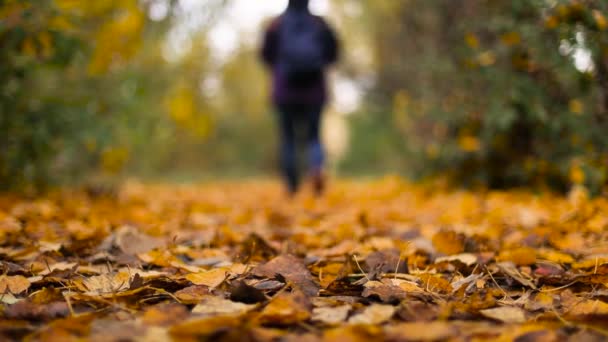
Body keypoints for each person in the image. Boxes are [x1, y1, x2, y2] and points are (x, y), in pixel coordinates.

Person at [261, 0, 339, 196]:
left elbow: (265, 55)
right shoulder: (319, 23)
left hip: (285, 89)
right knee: (314, 136)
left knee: (288, 138)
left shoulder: (276, 24)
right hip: (314, 89)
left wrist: (281, 66)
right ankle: (316, 168)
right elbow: (333, 53)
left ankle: (291, 185)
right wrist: (318, 64)